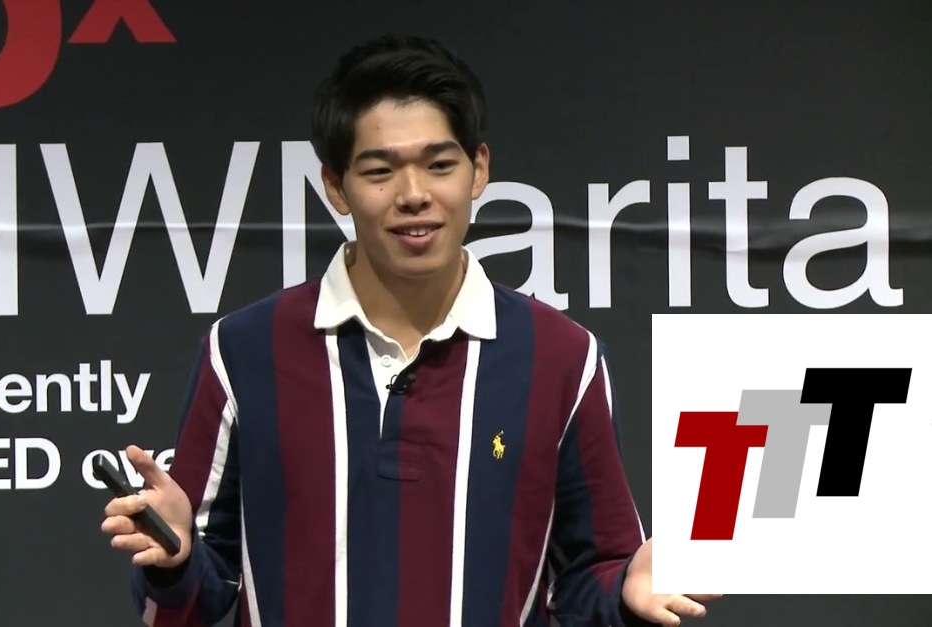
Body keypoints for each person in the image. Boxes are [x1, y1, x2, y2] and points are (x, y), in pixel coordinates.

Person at [101, 35, 720, 627]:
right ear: (336, 186)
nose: (414, 195)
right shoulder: (243, 351)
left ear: (478, 170)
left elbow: (592, 575)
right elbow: (186, 605)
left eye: (440, 164)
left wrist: (626, 587)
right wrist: (173, 560)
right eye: (380, 171)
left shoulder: (563, 357)